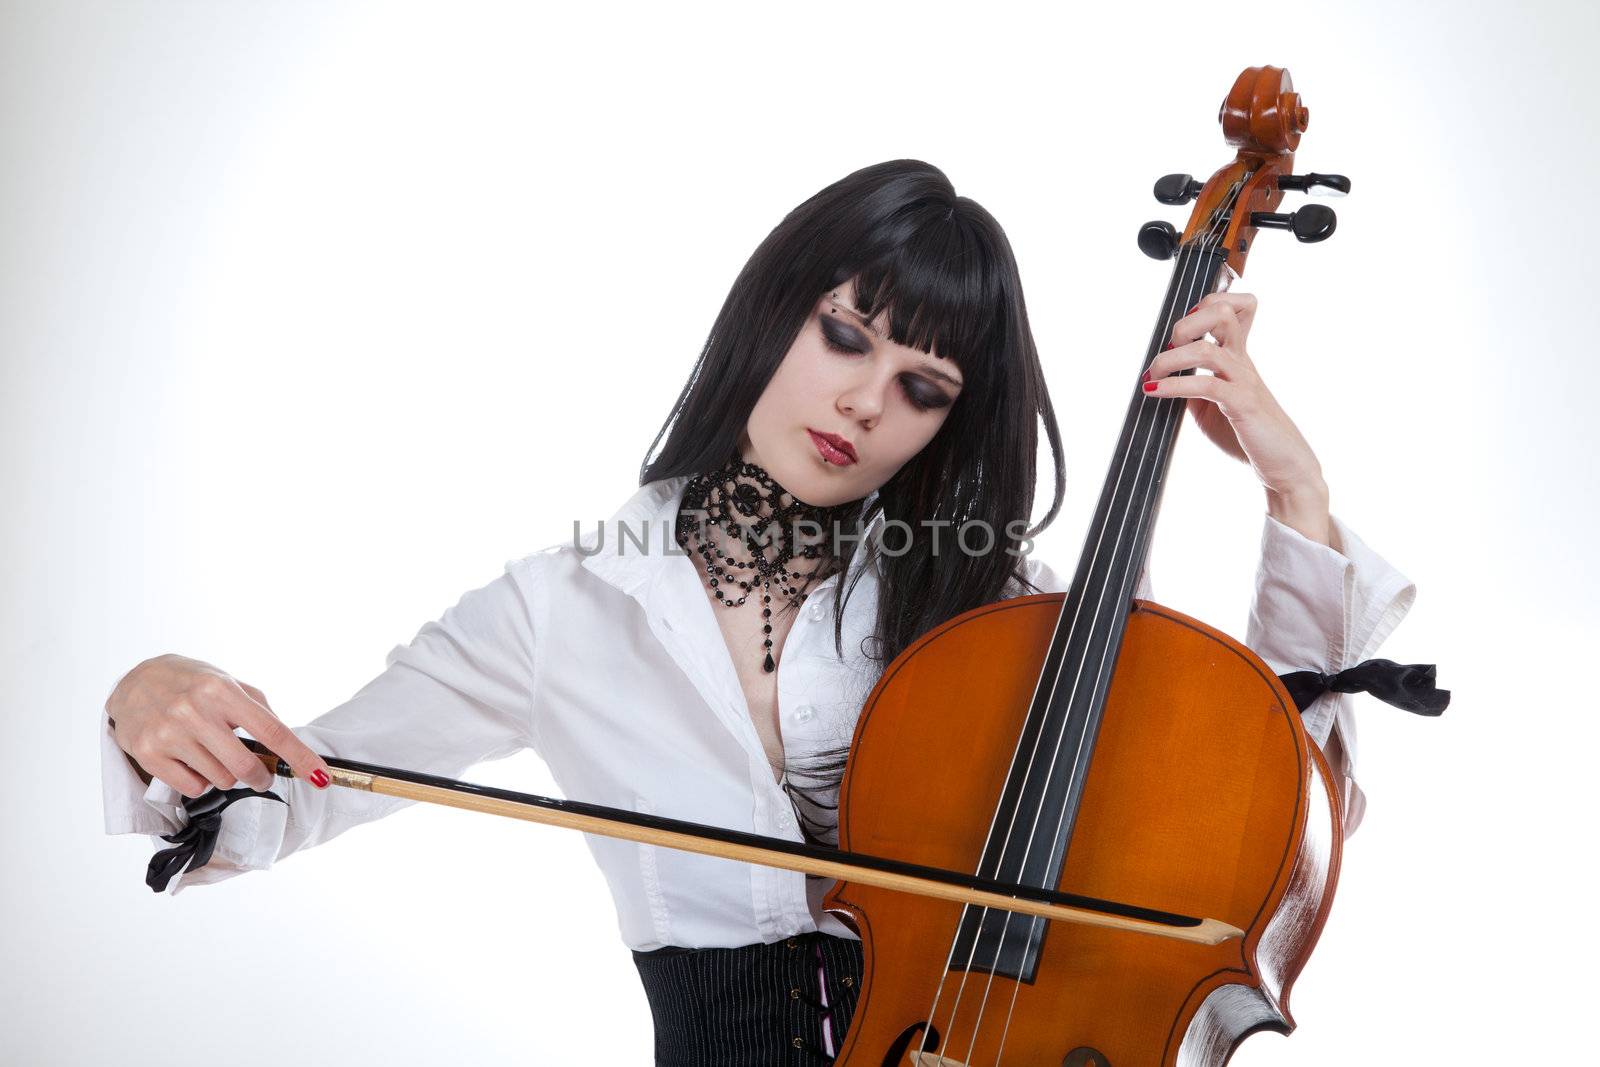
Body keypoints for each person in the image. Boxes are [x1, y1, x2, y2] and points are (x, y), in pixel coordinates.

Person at [101, 159, 1417, 1065]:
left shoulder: (994, 616)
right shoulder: (565, 609)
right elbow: (266, 810)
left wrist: (1295, 495)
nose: (861, 402)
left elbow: (1275, 819)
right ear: (773, 313)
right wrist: (149, 695)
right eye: (847, 336)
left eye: (923, 385)